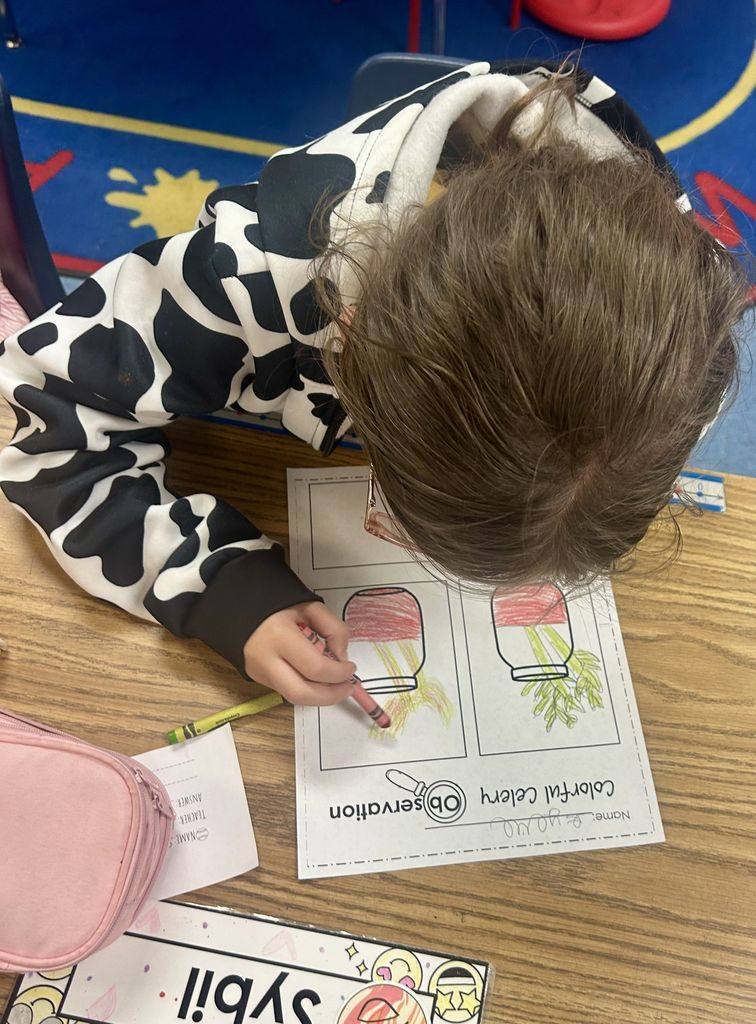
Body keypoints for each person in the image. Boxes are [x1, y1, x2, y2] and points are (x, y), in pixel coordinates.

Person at [0, 60, 746, 706]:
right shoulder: (246, 274)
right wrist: (218, 587)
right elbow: (42, 405)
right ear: (347, 344)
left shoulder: (690, 316)